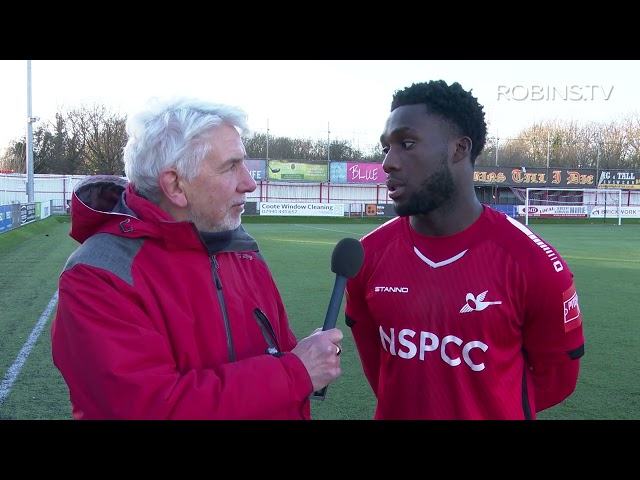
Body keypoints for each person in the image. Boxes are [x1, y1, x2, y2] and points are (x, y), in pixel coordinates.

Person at [50, 96, 344, 420]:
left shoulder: (242, 250)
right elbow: (151, 409)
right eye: (231, 166)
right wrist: (294, 372)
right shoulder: (100, 275)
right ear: (176, 186)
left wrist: (302, 360)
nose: (249, 183)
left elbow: (280, 355)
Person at [344, 80, 585, 420]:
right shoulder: (368, 255)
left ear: (458, 149)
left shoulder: (534, 263)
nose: (388, 163)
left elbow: (556, 380)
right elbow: (377, 366)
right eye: (386, 148)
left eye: (407, 144)